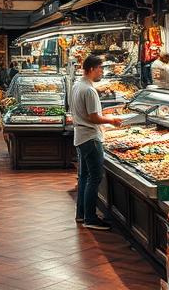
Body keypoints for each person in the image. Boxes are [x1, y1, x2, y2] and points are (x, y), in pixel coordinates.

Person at [71, 54, 123, 230]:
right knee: (95, 177)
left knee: (84, 176)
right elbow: (93, 117)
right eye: (101, 68)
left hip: (80, 136)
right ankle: (91, 218)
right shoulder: (89, 90)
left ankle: (81, 214)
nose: (102, 72)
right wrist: (111, 120)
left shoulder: (77, 85)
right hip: (90, 138)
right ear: (92, 69)